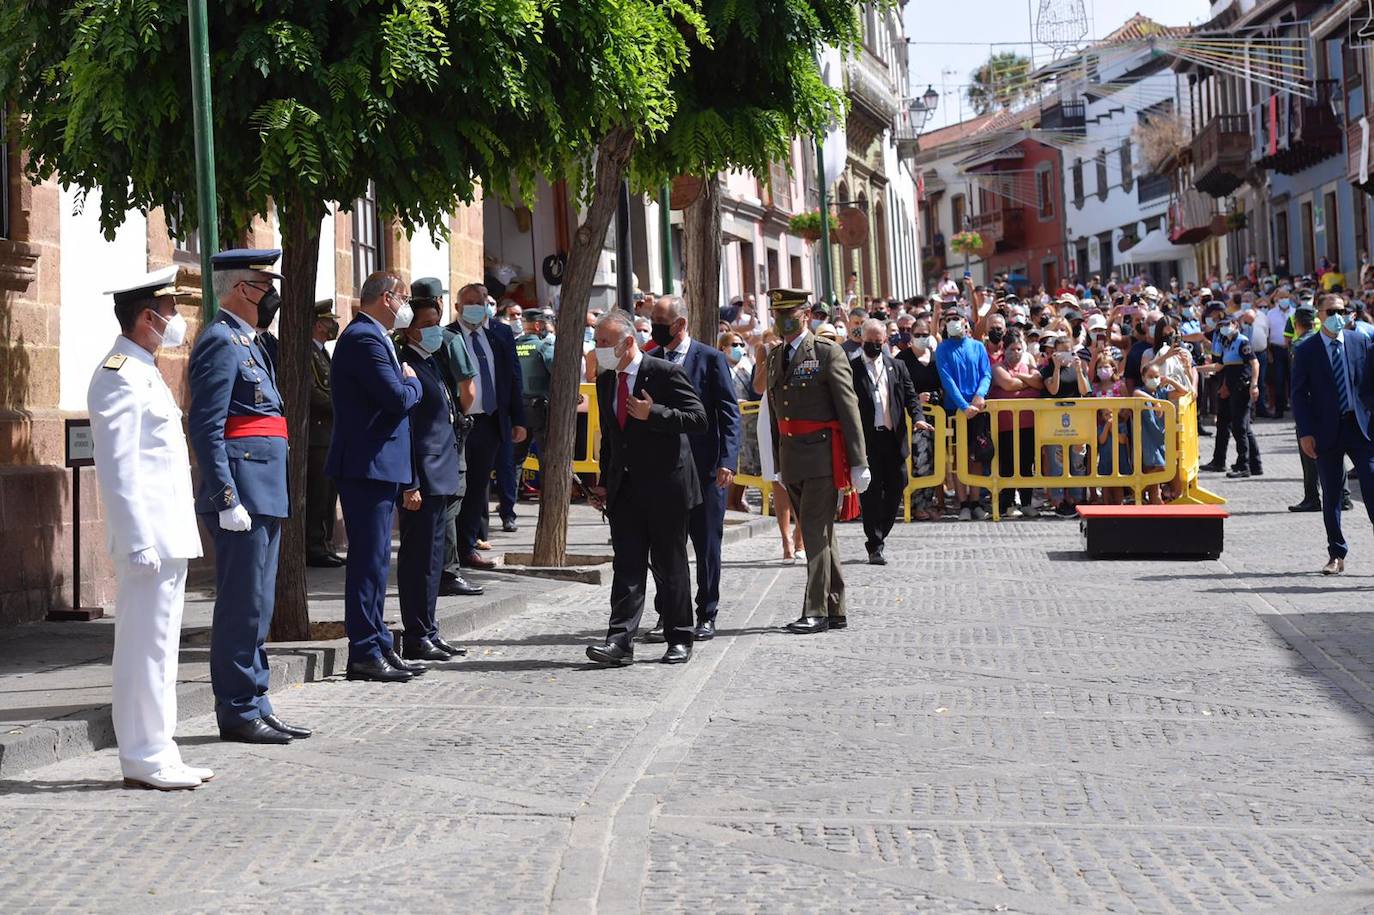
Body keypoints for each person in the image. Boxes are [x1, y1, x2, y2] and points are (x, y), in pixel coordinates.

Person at [88, 266, 211, 790]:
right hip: (149, 540)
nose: (178, 321)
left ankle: (160, 748)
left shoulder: (145, 370)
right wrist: (136, 537)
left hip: (166, 534)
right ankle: (141, 756)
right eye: (171, 311)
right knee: (143, 647)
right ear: (147, 318)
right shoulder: (118, 374)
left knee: (160, 647)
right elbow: (118, 467)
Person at [189, 249, 308, 744]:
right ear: (242, 290)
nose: (272, 296)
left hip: (264, 490)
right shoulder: (220, 341)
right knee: (241, 605)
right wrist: (223, 496)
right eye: (265, 286)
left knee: (257, 605)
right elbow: (206, 426)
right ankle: (237, 710)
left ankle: (257, 699)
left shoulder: (252, 343)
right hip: (242, 493)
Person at [585, 310, 707, 666]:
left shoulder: (664, 372)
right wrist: (605, 484)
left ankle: (680, 636)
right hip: (626, 489)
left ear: (627, 343)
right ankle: (619, 642)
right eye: (596, 342)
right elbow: (611, 436)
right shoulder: (608, 378)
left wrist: (653, 415)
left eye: (604, 343)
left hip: (667, 486)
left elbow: (698, 418)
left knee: (670, 565)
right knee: (627, 566)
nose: (598, 349)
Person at [326, 270, 427, 683]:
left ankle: (379, 641)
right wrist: (415, 385)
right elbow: (395, 397)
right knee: (367, 561)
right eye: (403, 298)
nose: (407, 307)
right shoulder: (364, 337)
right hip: (366, 466)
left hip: (378, 465)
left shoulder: (376, 337)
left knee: (376, 560)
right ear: (387, 298)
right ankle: (365, 649)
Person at [766, 288, 869, 634]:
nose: (782, 318)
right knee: (823, 535)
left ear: (806, 314)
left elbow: (848, 407)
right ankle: (835, 606)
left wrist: (859, 461)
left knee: (812, 533)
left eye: (789, 311)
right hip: (792, 457)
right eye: (776, 311)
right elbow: (775, 411)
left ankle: (815, 611)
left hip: (823, 457)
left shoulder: (827, 353)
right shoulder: (773, 355)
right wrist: (776, 460)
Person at [642, 296, 741, 642]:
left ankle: (707, 611)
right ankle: (668, 612)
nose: (655, 326)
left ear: (680, 324)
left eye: (660, 320)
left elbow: (729, 414)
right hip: (663, 470)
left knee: (706, 545)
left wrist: (727, 461)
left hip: (706, 469)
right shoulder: (650, 360)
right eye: (652, 319)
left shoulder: (710, 359)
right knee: (666, 547)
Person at [396, 297, 469, 661]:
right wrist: (411, 481)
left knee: (433, 560)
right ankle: (417, 633)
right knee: (419, 561)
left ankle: (429, 629)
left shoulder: (430, 361)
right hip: (423, 477)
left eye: (438, 321)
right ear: (410, 329)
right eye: (428, 323)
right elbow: (406, 428)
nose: (435, 329)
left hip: (441, 473)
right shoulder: (405, 364)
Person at [1292, 293, 1374, 575]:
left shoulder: (1359, 341)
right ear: (1320, 315)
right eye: (1331, 311)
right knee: (1332, 493)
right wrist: (1305, 432)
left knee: (1371, 487)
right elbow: (1299, 395)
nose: (1338, 316)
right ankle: (1336, 553)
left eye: (1342, 310)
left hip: (1360, 427)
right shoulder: (1307, 350)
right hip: (1326, 430)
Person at [410, 277, 481, 597]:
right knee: (451, 499)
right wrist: (459, 416)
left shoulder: (408, 344)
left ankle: (437, 568)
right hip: (446, 432)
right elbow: (468, 390)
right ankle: (447, 571)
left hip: (427, 432)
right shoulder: (450, 339)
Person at [450, 283, 527, 565]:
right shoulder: (448, 336)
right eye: (468, 301)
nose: (475, 306)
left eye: (480, 301)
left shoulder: (500, 334)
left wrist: (519, 419)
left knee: (479, 486)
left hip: (493, 421)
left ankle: (468, 546)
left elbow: (513, 379)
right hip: (460, 424)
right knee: (458, 487)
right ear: (457, 307)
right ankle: (451, 548)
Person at [851, 319, 920, 563]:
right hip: (868, 441)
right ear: (862, 339)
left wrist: (918, 418)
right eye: (870, 342)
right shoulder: (852, 368)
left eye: (879, 342)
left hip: (893, 439)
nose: (875, 346)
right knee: (870, 494)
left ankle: (881, 534)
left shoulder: (897, 366)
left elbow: (911, 397)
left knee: (896, 487)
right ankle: (875, 544)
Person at [1288, 304, 1350, 513]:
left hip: (1313, 412)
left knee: (1312, 458)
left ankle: (1312, 497)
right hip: (1331, 410)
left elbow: (1299, 387)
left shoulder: (1303, 345)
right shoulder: (1321, 339)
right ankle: (1344, 496)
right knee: (1335, 454)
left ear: (1296, 324)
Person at [935, 305, 992, 520]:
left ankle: (976, 501)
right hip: (955, 410)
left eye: (956, 317)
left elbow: (986, 373)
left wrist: (979, 396)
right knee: (958, 458)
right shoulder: (942, 349)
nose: (952, 321)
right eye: (948, 318)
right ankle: (963, 503)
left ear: (965, 321)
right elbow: (946, 379)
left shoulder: (977, 347)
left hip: (977, 408)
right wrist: (963, 405)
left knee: (976, 455)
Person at [1198, 312, 1262, 478]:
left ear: (1235, 324)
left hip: (1242, 388)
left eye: (1227, 325)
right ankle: (1255, 464)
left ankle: (1244, 465)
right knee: (1244, 428)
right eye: (1221, 326)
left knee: (1239, 427)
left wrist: (1254, 385)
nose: (1224, 328)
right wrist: (1195, 369)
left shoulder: (1242, 341)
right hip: (1234, 389)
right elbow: (1219, 366)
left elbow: (1255, 363)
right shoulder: (1227, 342)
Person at [988, 329, 1043, 517]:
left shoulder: (1029, 364)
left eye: (1019, 349)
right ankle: (1008, 503)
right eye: (1012, 349)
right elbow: (1008, 385)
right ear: (1005, 349)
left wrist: (1021, 378)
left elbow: (1039, 382)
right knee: (1007, 465)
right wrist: (1027, 382)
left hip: (1029, 424)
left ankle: (1026, 501)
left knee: (1027, 464)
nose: (1016, 352)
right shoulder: (997, 367)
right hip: (1005, 426)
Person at [306, 300, 344, 568]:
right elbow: (313, 393)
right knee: (319, 495)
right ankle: (316, 546)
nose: (334, 325)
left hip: (329, 434)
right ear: (319, 324)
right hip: (318, 436)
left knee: (329, 494)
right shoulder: (308, 353)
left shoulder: (322, 353)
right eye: (331, 321)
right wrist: (343, 405)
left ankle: (325, 543)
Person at [514, 308, 556, 467]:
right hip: (539, 410)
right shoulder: (544, 347)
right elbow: (558, 373)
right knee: (546, 458)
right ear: (538, 326)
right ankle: (546, 492)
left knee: (515, 459)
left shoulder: (513, 346)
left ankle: (512, 492)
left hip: (518, 409)